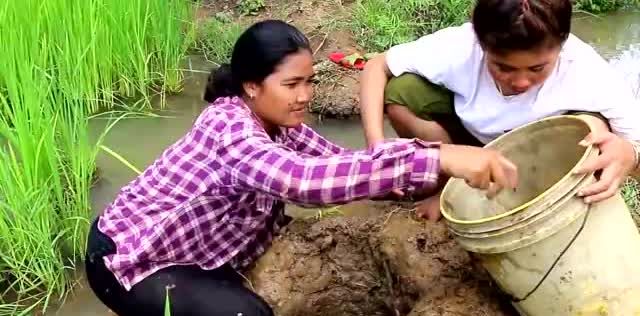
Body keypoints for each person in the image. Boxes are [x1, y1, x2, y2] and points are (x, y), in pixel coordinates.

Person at [84, 20, 519, 316]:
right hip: (134, 259)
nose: (305, 95)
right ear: (251, 86)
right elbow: (303, 182)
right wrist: (442, 155)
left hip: (203, 252)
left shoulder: (282, 126)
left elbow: (343, 165)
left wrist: (443, 178)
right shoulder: (229, 127)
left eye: (309, 81)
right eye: (291, 84)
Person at [359, 0, 640, 221]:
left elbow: (635, 144)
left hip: (544, 158)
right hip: (471, 147)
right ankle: (450, 189)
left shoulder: (587, 72)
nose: (520, 82)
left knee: (595, 127)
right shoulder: (459, 48)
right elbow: (376, 67)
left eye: (537, 68)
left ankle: (557, 204)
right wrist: (377, 146)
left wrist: (629, 153)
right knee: (402, 92)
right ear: (481, 45)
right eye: (503, 67)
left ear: (561, 45)